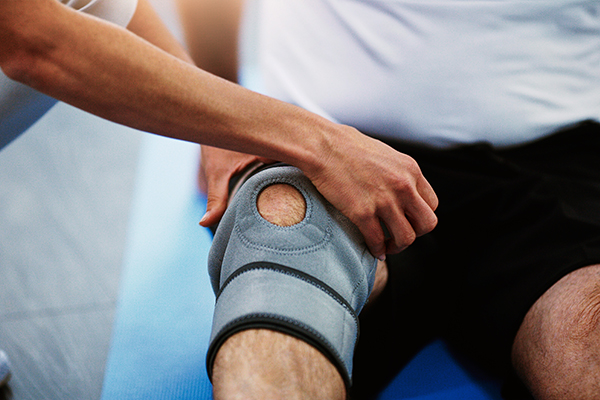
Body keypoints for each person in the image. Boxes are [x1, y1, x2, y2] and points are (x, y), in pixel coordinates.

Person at [0, 0, 439, 388]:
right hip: (325, 139)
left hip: (505, 178)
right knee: (284, 219)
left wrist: (218, 133)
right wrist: (317, 142)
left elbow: (99, 3)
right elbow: (28, 33)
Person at [178, 0, 600, 399]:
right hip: (328, 148)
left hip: (559, 166)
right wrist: (222, 118)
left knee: (588, 330)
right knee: (284, 234)